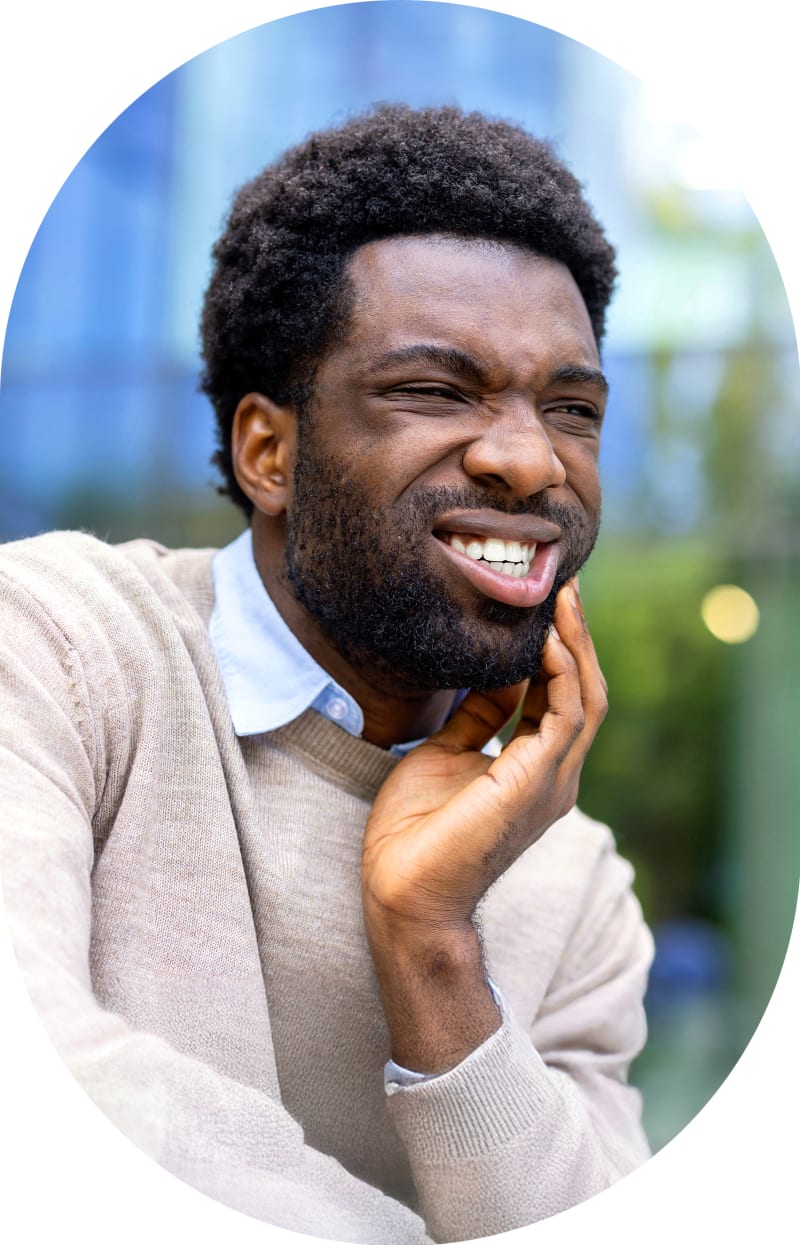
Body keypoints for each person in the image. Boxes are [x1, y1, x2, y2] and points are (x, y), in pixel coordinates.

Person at [0, 104, 653, 1243]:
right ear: (270, 452)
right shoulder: (59, 651)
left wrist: (432, 940)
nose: (528, 458)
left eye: (571, 409)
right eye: (435, 391)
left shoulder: (577, 886)